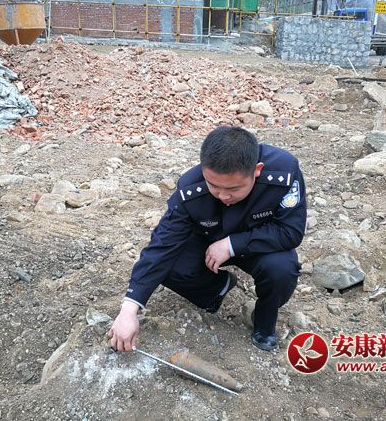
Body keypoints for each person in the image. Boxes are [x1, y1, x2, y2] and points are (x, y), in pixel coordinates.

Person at [108, 126, 307, 351]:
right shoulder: (190, 187)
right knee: (169, 265)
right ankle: (217, 288)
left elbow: (290, 231)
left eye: (233, 189)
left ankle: (264, 319)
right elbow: (163, 244)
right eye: (213, 186)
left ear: (257, 170)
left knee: (282, 269)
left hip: (259, 245)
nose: (223, 196)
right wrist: (129, 310)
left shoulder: (283, 172)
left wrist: (232, 245)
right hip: (207, 241)